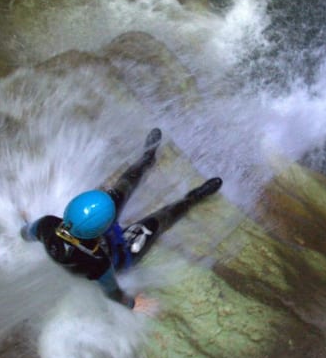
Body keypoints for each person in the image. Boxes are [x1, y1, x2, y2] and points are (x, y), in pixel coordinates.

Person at [20, 128, 222, 312]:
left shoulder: (47, 225)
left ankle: (146, 159)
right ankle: (192, 198)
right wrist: (132, 304)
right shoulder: (98, 262)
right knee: (158, 221)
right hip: (120, 254)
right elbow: (112, 292)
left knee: (120, 189)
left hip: (95, 239)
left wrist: (22, 224)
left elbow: (26, 233)